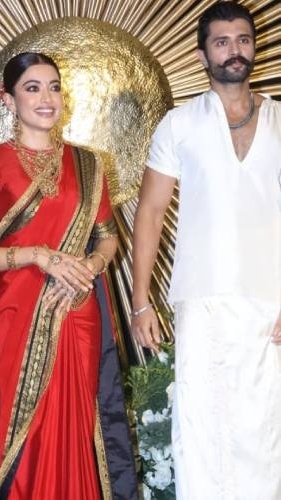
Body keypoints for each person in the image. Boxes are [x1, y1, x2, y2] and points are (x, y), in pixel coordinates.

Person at [0, 52, 137, 500]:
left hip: (78, 310)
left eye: (54, 87)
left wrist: (91, 266)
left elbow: (107, 239)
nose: (46, 98)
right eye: (32, 88)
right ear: (8, 99)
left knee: (80, 422)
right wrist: (37, 256)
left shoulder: (89, 164)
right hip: (17, 313)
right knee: (24, 427)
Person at [131, 2, 281, 498]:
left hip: (269, 301)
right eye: (222, 42)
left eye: (243, 39)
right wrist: (140, 302)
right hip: (201, 299)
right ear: (203, 54)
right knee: (201, 431)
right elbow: (150, 212)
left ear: (254, 46)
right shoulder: (178, 124)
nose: (234, 50)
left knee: (266, 433)